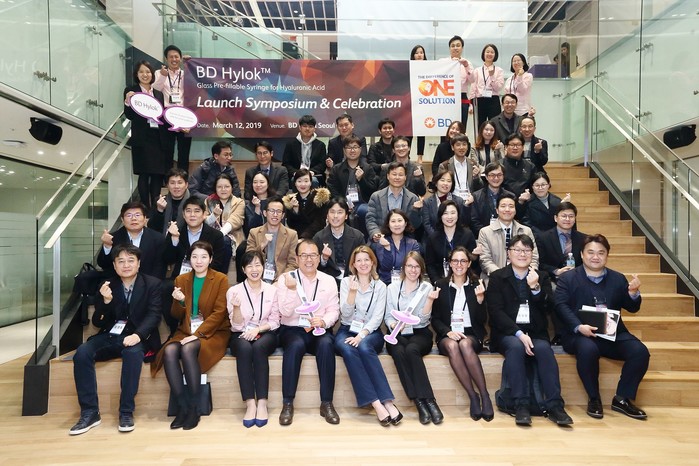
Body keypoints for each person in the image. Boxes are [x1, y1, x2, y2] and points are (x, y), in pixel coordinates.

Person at [555, 234, 650, 420]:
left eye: (601, 253)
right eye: (590, 252)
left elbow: (632, 308)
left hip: (611, 334)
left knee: (640, 352)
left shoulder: (618, 278)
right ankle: (594, 398)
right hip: (580, 335)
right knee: (588, 349)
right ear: (581, 254)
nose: (595, 257)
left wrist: (633, 293)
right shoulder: (568, 278)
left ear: (607, 255)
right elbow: (560, 306)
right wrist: (578, 326)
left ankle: (622, 399)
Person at [69, 244, 162, 435]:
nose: (126, 265)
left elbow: (154, 315)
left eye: (130, 260)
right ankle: (89, 412)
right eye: (121, 261)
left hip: (139, 336)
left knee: (132, 354)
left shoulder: (152, 284)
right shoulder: (108, 286)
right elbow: (97, 322)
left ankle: (126, 411)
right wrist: (105, 302)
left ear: (138, 263)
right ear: (114, 265)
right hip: (112, 335)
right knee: (82, 353)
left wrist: (138, 335)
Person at [486, 234, 573, 426]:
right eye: (517, 250)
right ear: (509, 254)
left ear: (532, 254)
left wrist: (535, 289)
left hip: (535, 332)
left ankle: (555, 406)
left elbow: (549, 308)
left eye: (526, 250)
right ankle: (521, 404)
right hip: (507, 333)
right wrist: (518, 334)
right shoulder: (498, 277)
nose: (522, 254)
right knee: (516, 347)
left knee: (544, 350)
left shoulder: (541, 276)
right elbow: (496, 312)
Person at [152, 241, 230, 430]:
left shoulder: (221, 279)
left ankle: (194, 408)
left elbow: (220, 313)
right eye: (194, 257)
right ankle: (183, 406)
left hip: (214, 332)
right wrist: (179, 302)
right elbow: (176, 315)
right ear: (189, 259)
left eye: (203, 257)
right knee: (170, 350)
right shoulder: (181, 280)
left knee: (187, 350)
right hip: (186, 330)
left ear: (210, 259)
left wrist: (198, 334)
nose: (199, 261)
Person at [276, 240, 341, 426]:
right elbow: (284, 312)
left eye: (313, 255)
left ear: (319, 258)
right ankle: (287, 403)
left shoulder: (328, 280)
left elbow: (334, 310)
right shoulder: (286, 279)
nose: (309, 259)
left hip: (318, 327)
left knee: (327, 344)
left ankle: (327, 403)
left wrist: (324, 321)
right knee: (295, 345)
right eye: (304, 255)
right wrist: (291, 290)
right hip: (292, 328)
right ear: (297, 259)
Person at [336, 246, 402, 425]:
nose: (363, 263)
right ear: (353, 264)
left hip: (371, 331)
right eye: (359, 260)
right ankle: (376, 403)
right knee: (347, 349)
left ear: (373, 262)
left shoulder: (380, 286)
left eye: (366, 259)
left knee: (364, 347)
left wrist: (361, 335)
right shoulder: (346, 282)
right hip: (347, 329)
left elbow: (377, 318)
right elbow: (345, 315)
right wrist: (352, 293)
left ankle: (388, 402)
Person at [431, 247, 492, 421]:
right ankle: (473, 396)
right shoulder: (440, 285)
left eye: (463, 261)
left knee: (465, 344)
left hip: (471, 333)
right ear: (450, 264)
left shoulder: (477, 284)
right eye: (455, 261)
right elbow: (435, 318)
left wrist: (480, 301)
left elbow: (482, 320)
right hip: (448, 334)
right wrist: (447, 332)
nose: (459, 265)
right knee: (452, 346)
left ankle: (485, 395)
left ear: (469, 263)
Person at [227, 250, 281, 428]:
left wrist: (257, 329)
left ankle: (263, 403)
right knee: (244, 348)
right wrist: (236, 308)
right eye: (250, 266)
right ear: (243, 269)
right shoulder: (234, 291)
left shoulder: (272, 290)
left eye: (258, 265)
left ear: (263, 267)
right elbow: (235, 325)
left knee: (258, 348)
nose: (254, 269)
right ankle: (250, 403)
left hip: (265, 332)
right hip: (240, 332)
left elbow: (275, 321)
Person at [386, 252, 442, 424]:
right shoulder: (392, 288)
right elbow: (388, 315)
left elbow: (424, 320)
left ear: (421, 269)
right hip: (397, 332)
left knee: (412, 350)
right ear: (404, 267)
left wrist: (430, 301)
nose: (413, 270)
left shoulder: (426, 287)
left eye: (417, 266)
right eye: (410, 266)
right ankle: (419, 402)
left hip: (420, 332)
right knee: (398, 351)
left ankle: (430, 400)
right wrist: (394, 325)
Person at [123, 60, 169, 209]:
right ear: (136, 74)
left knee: (157, 174)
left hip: (158, 138)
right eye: (141, 72)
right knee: (144, 173)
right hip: (141, 138)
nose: (145, 74)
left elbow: (162, 116)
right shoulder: (131, 91)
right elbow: (129, 115)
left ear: (152, 74)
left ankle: (155, 208)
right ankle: (145, 207)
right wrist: (128, 102)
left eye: (148, 71)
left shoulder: (158, 94)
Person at [477, 192, 538, 283]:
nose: (507, 209)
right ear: (497, 210)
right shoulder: (485, 232)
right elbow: (485, 260)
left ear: (515, 210)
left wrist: (528, 274)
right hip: (495, 279)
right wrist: (502, 276)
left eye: (511, 206)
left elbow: (534, 257)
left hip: (523, 278)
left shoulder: (526, 231)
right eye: (503, 206)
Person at [97, 201, 166, 279]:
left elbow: (160, 267)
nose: (133, 218)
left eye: (137, 215)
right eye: (129, 215)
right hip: (119, 283)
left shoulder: (157, 238)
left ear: (145, 218)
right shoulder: (113, 238)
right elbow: (103, 264)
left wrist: (152, 284)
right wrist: (107, 246)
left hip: (149, 283)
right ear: (122, 220)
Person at [327, 136, 378, 237]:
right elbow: (332, 188)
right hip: (342, 202)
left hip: (362, 203)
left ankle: (364, 239)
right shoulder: (337, 168)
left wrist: (362, 180)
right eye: (349, 147)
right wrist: (343, 203)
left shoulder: (368, 168)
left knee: (364, 211)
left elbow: (372, 190)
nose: (352, 150)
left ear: (360, 149)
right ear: (344, 150)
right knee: (337, 210)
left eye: (355, 147)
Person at [164, 196, 227, 276]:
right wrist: (175, 239)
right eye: (188, 211)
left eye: (197, 211)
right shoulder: (175, 232)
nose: (192, 215)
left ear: (204, 214)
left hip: (206, 278)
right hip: (181, 278)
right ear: (183, 215)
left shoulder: (216, 236)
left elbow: (217, 264)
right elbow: (168, 260)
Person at [153, 45, 191, 170]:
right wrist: (163, 76)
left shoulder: (186, 74)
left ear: (180, 58)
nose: (174, 59)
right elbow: (155, 90)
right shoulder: (159, 73)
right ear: (166, 59)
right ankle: (167, 178)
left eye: (176, 57)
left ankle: (183, 178)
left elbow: (195, 86)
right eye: (171, 57)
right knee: (167, 151)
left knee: (184, 151)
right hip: (167, 116)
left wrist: (190, 65)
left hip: (184, 116)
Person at [366, 161, 423, 242]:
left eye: (400, 175)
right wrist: (376, 233)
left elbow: (415, 225)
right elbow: (370, 219)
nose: (397, 177)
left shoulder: (413, 198)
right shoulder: (376, 196)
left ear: (405, 177)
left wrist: (415, 210)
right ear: (388, 176)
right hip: (381, 237)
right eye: (394, 174)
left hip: (404, 240)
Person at [246, 196, 298, 283]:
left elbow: (293, 263)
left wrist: (281, 279)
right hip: (258, 278)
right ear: (265, 213)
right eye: (272, 211)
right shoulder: (254, 233)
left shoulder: (292, 235)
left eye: (279, 211)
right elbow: (248, 259)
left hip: (281, 279)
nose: (275, 214)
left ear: (283, 215)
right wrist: (262, 245)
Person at [314, 198, 366, 283]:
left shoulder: (357, 236)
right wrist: (324, 259)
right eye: (332, 212)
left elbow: (364, 260)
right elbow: (315, 266)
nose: (335, 216)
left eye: (340, 212)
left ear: (346, 216)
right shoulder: (319, 237)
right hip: (328, 281)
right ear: (327, 215)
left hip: (353, 279)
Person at [426, 200, 477, 283]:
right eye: (445, 213)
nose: (449, 217)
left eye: (453, 213)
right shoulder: (433, 238)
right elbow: (430, 265)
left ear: (458, 215)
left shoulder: (467, 234)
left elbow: (474, 264)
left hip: (464, 280)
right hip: (441, 280)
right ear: (440, 216)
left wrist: (475, 255)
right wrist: (437, 282)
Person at [204, 173, 245, 273]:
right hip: (210, 235)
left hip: (232, 236)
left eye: (226, 186)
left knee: (224, 241)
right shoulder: (208, 201)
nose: (223, 189)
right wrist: (213, 216)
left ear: (232, 187)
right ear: (215, 188)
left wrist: (218, 235)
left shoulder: (238, 202)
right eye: (219, 187)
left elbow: (235, 220)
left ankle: (221, 274)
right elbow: (204, 221)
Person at [537, 201, 587, 282]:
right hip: (552, 280)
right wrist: (556, 271)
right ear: (555, 218)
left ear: (575, 219)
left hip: (578, 279)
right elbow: (540, 263)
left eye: (571, 216)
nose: (567, 219)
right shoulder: (543, 238)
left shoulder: (584, 238)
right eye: (564, 216)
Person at [371, 209, 421, 285]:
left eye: (400, 221)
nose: (397, 224)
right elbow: (386, 267)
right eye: (393, 221)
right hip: (386, 284)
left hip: (407, 283)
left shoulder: (413, 244)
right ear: (388, 224)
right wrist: (387, 247)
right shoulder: (382, 242)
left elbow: (414, 267)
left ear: (405, 223)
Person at [469, 161, 514, 237]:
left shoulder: (510, 196)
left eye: (499, 175)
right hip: (483, 236)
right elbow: (474, 221)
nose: (496, 178)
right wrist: (487, 235)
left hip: (506, 235)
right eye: (492, 175)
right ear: (486, 177)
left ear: (503, 176)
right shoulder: (476, 196)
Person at [422, 170, 472, 238]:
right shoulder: (427, 202)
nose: (445, 183)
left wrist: (467, 205)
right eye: (442, 180)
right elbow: (427, 225)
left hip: (455, 239)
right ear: (436, 183)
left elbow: (464, 223)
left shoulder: (459, 201)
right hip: (433, 239)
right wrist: (437, 239)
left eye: (449, 181)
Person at [283, 168, 330, 239]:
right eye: (299, 181)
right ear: (295, 183)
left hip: (316, 237)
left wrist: (304, 237)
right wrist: (296, 211)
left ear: (311, 182)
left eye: (306, 181)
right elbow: (291, 224)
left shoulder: (320, 198)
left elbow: (319, 222)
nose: (303, 184)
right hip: (297, 237)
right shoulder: (291, 200)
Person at [282, 115, 329, 187]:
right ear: (300, 127)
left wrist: (312, 172)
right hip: (295, 175)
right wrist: (295, 173)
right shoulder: (291, 144)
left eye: (310, 126)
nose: (307, 129)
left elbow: (322, 164)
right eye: (304, 126)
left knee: (313, 181)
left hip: (314, 175)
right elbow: (286, 163)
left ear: (314, 129)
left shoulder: (320, 145)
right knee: (295, 180)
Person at [522, 172, 569, 237]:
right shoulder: (527, 202)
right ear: (532, 187)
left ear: (548, 185)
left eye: (543, 185)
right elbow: (526, 223)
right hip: (536, 237)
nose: (540, 188)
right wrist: (542, 236)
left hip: (555, 236)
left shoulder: (557, 201)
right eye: (537, 185)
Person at [469, 43, 504, 129]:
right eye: (487, 52)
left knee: (495, 126)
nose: (489, 54)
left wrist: (492, 76)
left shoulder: (499, 70)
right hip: (480, 100)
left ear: (495, 55)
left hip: (493, 100)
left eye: (492, 52)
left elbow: (498, 88)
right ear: (483, 54)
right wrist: (471, 104)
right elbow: (473, 88)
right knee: (480, 126)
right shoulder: (477, 70)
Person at [149, 168, 191, 236]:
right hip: (163, 240)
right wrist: (159, 211)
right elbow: (151, 228)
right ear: (167, 185)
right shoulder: (160, 201)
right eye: (172, 183)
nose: (176, 186)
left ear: (186, 185)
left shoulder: (193, 202)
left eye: (180, 183)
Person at [437, 134, 481, 198]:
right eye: (458, 145)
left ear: (467, 147)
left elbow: (480, 187)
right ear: (452, 147)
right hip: (452, 200)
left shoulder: (473, 164)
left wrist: (476, 177)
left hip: (471, 199)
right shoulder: (444, 166)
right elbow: (441, 187)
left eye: (464, 144)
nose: (461, 147)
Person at [442, 36, 473, 127]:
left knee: (461, 127)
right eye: (453, 46)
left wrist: (466, 66)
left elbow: (472, 80)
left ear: (462, 48)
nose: (455, 48)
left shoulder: (467, 63)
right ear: (449, 48)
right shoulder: (442, 62)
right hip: (446, 97)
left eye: (458, 45)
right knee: (446, 127)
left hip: (462, 97)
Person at [501, 133, 537, 200]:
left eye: (518, 145)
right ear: (506, 147)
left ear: (523, 147)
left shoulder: (530, 166)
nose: (515, 148)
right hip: (504, 202)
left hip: (525, 202)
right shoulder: (499, 165)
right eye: (512, 145)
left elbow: (533, 187)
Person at [410, 44, 428, 163]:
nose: (419, 55)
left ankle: (420, 156)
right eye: (416, 53)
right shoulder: (409, 67)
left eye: (421, 52)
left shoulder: (430, 68)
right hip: (411, 102)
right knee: (409, 130)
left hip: (424, 102)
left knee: (422, 130)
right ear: (413, 55)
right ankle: (406, 154)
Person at [243, 171, 276, 236]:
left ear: (268, 184)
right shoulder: (248, 205)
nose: (258, 185)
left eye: (262, 182)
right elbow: (251, 229)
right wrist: (257, 208)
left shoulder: (276, 202)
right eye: (255, 182)